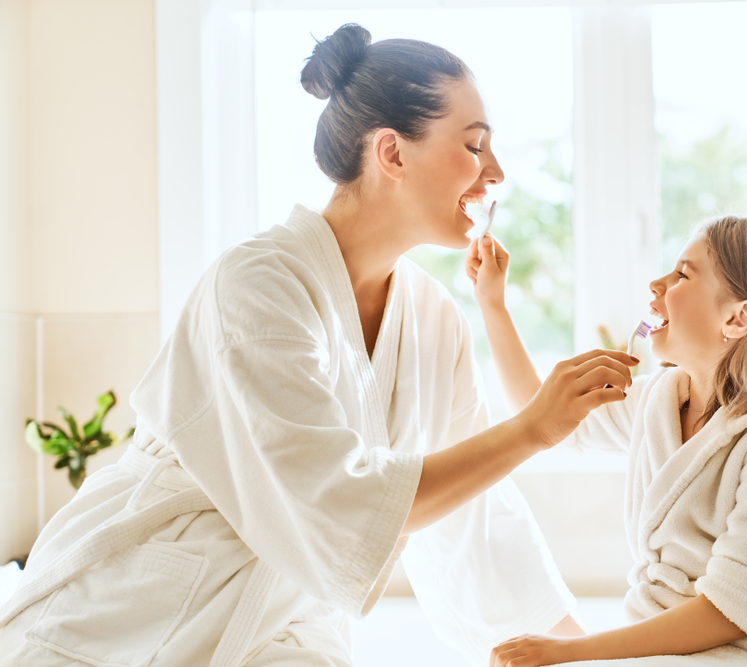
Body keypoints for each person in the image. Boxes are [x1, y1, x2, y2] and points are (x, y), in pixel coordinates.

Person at [0, 24, 637, 666]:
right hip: (128, 614)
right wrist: (534, 428)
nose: (494, 173)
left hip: (285, 628)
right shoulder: (258, 285)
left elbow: (472, 516)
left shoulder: (433, 316)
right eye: (474, 147)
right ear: (391, 152)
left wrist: (586, 651)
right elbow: (339, 502)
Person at [467, 216, 747, 667]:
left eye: (682, 274)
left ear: (736, 317)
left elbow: (732, 611)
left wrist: (572, 652)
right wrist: (492, 303)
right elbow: (545, 422)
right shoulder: (661, 398)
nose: (657, 284)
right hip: (665, 642)